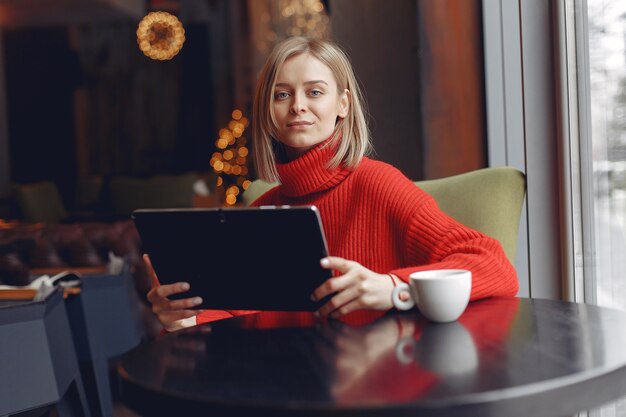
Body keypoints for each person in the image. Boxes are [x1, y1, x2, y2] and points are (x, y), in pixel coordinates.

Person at [146, 36, 519, 332]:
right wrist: (184, 317)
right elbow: (242, 314)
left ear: (342, 104)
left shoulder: (378, 183)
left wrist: (394, 287)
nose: (297, 106)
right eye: (282, 94)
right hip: (280, 386)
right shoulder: (263, 210)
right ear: (267, 111)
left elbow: (495, 266)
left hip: (374, 388)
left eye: (314, 91)